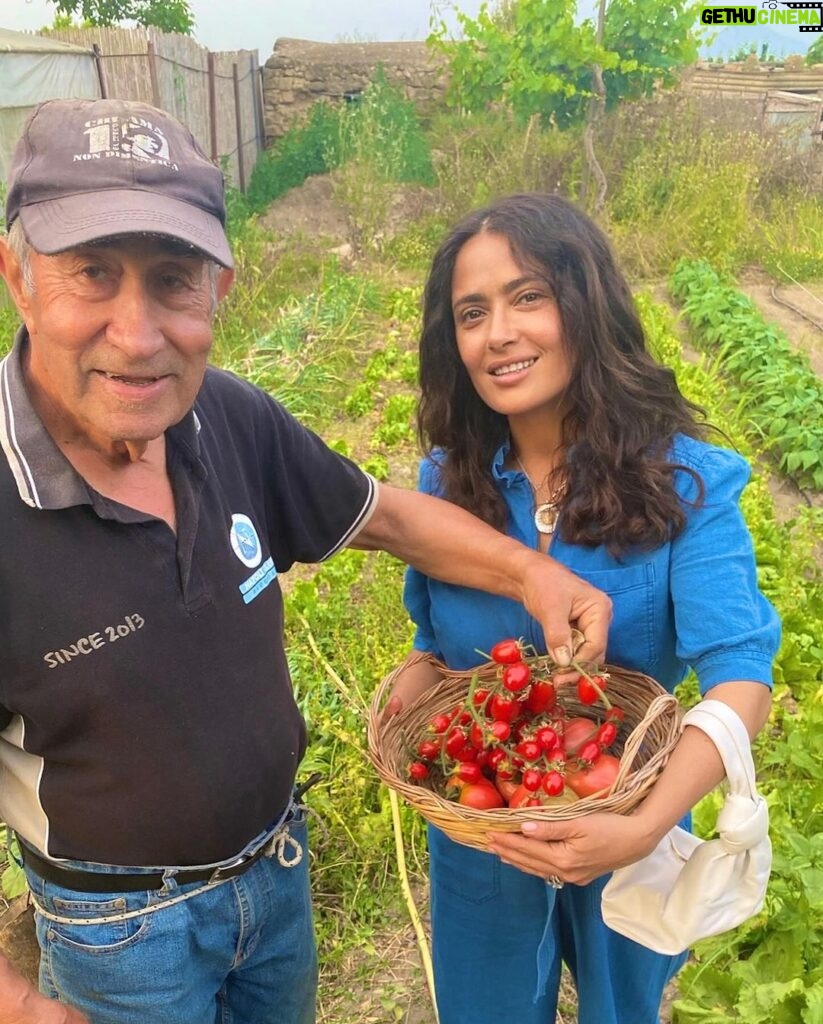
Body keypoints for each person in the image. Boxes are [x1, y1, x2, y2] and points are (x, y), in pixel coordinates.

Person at [0, 102, 613, 1024]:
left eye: (172, 281)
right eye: (91, 274)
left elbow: (387, 517)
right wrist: (19, 1006)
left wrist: (531, 575)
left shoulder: (228, 418)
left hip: (277, 878)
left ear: (218, 293)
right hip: (119, 934)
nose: (136, 334)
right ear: (18, 278)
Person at [386, 193, 781, 1024]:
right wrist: (416, 678)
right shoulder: (443, 486)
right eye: (471, 312)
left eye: (527, 296)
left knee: (622, 1008)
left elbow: (740, 678)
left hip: (627, 813)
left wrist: (642, 830)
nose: (498, 333)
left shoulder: (685, 483)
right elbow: (436, 644)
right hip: (483, 832)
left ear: (584, 305)